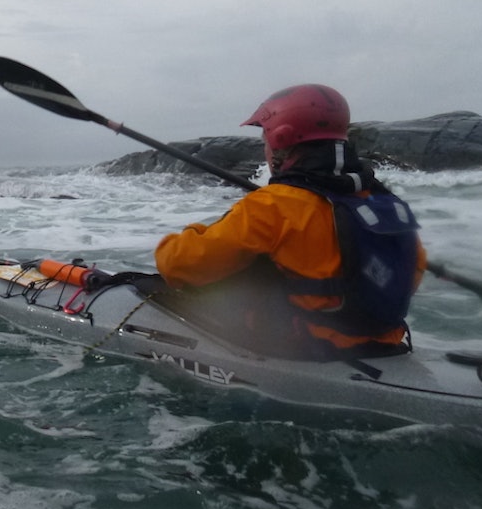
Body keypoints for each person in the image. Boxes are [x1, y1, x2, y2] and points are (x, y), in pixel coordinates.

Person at [154, 84, 427, 360]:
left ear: (281, 140)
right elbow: (413, 275)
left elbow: (179, 265)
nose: (265, 150)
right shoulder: (388, 202)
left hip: (306, 347)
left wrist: (193, 232)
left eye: (265, 140)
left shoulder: (272, 205)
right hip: (385, 344)